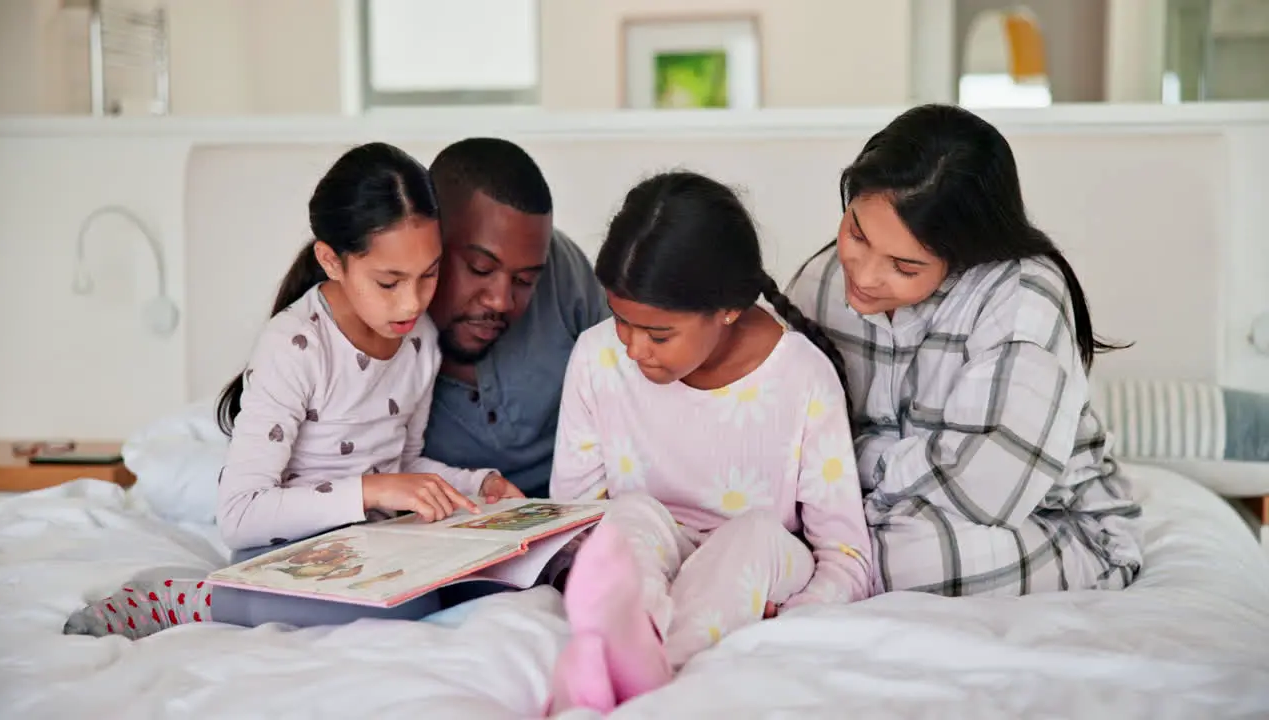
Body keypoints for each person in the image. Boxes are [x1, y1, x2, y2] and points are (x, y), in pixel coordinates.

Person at [63, 142, 523, 639]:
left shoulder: (421, 341)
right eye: (389, 282)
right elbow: (240, 516)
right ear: (331, 260)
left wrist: (480, 485)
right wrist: (372, 491)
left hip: (376, 544)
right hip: (284, 551)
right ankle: (189, 598)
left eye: (428, 274)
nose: (412, 302)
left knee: (489, 583)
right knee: (391, 614)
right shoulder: (295, 346)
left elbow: (401, 468)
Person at [544, 172, 873, 714]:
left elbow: (846, 556)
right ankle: (621, 642)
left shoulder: (802, 377)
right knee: (627, 519)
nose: (632, 348)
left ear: (727, 308)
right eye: (621, 320)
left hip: (761, 560)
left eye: (658, 334)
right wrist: (581, 567)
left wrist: (797, 612)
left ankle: (652, 668)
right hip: (653, 548)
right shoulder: (596, 358)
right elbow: (574, 520)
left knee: (751, 536)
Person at [787, 104, 1143, 598]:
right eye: (857, 233)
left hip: (1042, 520)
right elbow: (784, 423)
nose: (863, 276)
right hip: (863, 507)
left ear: (964, 253)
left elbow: (987, 489)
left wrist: (846, 474)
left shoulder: (1023, 296)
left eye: (905, 267)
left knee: (911, 558)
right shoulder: (820, 279)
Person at [423, 138, 610, 499]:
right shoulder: (377, 323)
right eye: (480, 268)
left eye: (525, 280)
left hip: (573, 505)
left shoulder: (563, 269)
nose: (502, 301)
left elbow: (626, 381)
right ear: (430, 240)